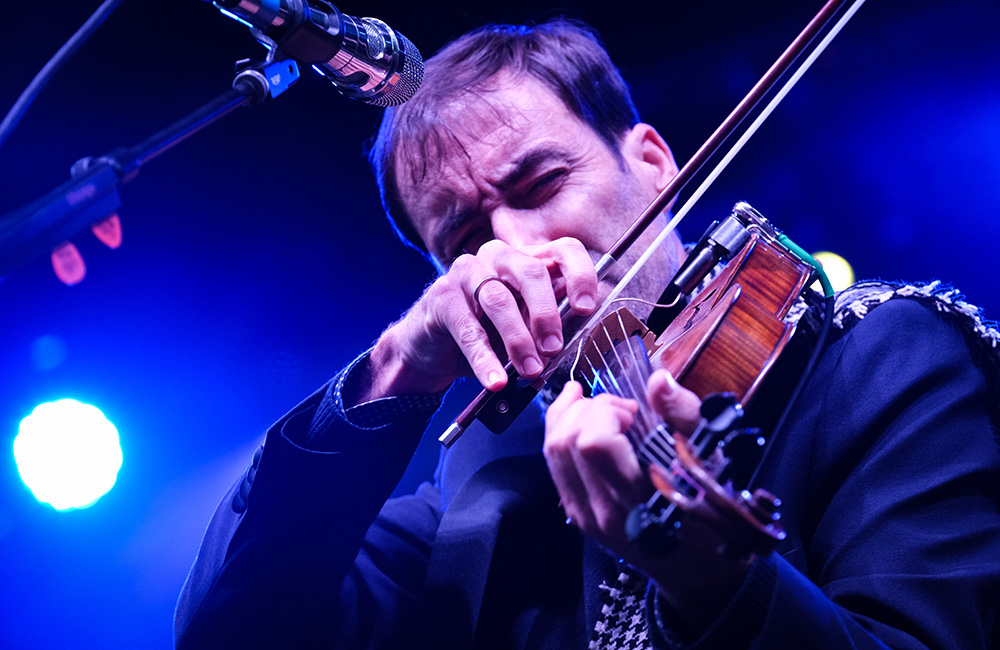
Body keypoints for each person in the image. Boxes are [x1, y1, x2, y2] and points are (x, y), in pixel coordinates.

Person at [174, 19, 1000, 649]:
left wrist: (712, 579)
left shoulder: (874, 360)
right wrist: (395, 365)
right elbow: (227, 628)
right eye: (464, 242)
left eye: (541, 182)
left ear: (651, 160)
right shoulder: (475, 491)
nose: (516, 250)